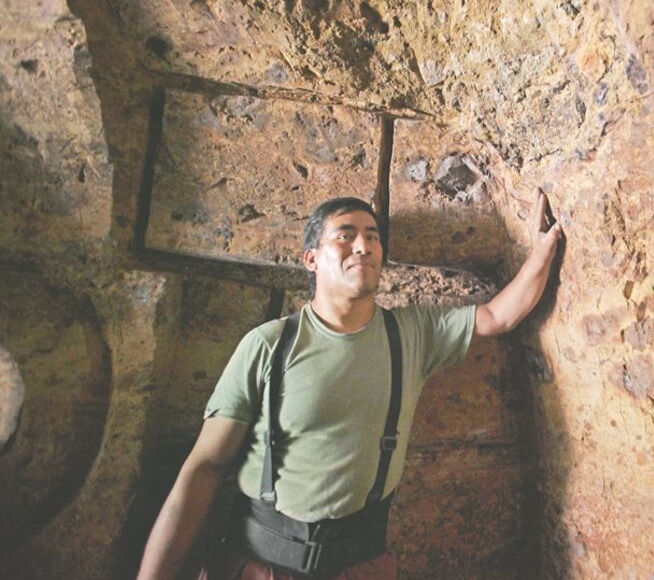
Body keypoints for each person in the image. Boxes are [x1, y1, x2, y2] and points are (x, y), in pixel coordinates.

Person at [137, 189, 563, 580]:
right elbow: (204, 467)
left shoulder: (411, 334)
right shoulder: (269, 345)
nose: (364, 246)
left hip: (359, 567)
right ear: (311, 259)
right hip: (257, 567)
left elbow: (498, 317)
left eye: (373, 237)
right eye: (345, 235)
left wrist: (540, 253)